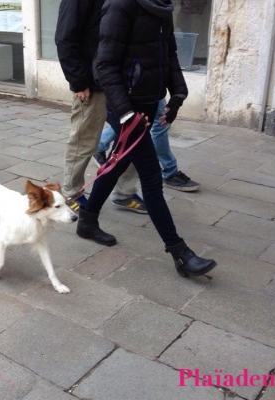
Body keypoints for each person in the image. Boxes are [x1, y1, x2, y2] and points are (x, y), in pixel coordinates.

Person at [76, 0, 217, 277]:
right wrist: (125, 113)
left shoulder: (162, 6)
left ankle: (87, 221)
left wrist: (177, 94)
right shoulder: (120, 5)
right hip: (126, 108)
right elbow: (104, 65)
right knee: (152, 177)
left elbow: (170, 55)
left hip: (149, 103)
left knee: (117, 164)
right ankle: (180, 253)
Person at [55, 0, 147, 214]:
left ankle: (124, 193)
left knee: (133, 137)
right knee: (83, 141)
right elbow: (64, 38)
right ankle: (71, 193)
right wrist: (78, 81)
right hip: (93, 84)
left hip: (124, 82)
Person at [94, 98, 201, 198]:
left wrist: (177, 96)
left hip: (150, 86)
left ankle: (100, 145)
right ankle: (169, 172)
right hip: (140, 86)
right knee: (150, 122)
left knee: (135, 121)